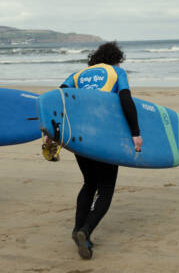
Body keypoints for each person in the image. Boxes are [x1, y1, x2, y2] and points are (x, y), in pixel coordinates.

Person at [47, 41, 142, 259]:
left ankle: (78, 231)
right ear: (115, 59)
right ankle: (85, 230)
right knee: (106, 188)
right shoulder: (117, 72)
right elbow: (126, 100)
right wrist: (135, 133)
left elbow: (57, 100)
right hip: (105, 137)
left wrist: (52, 133)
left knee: (89, 183)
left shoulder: (78, 75)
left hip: (79, 138)